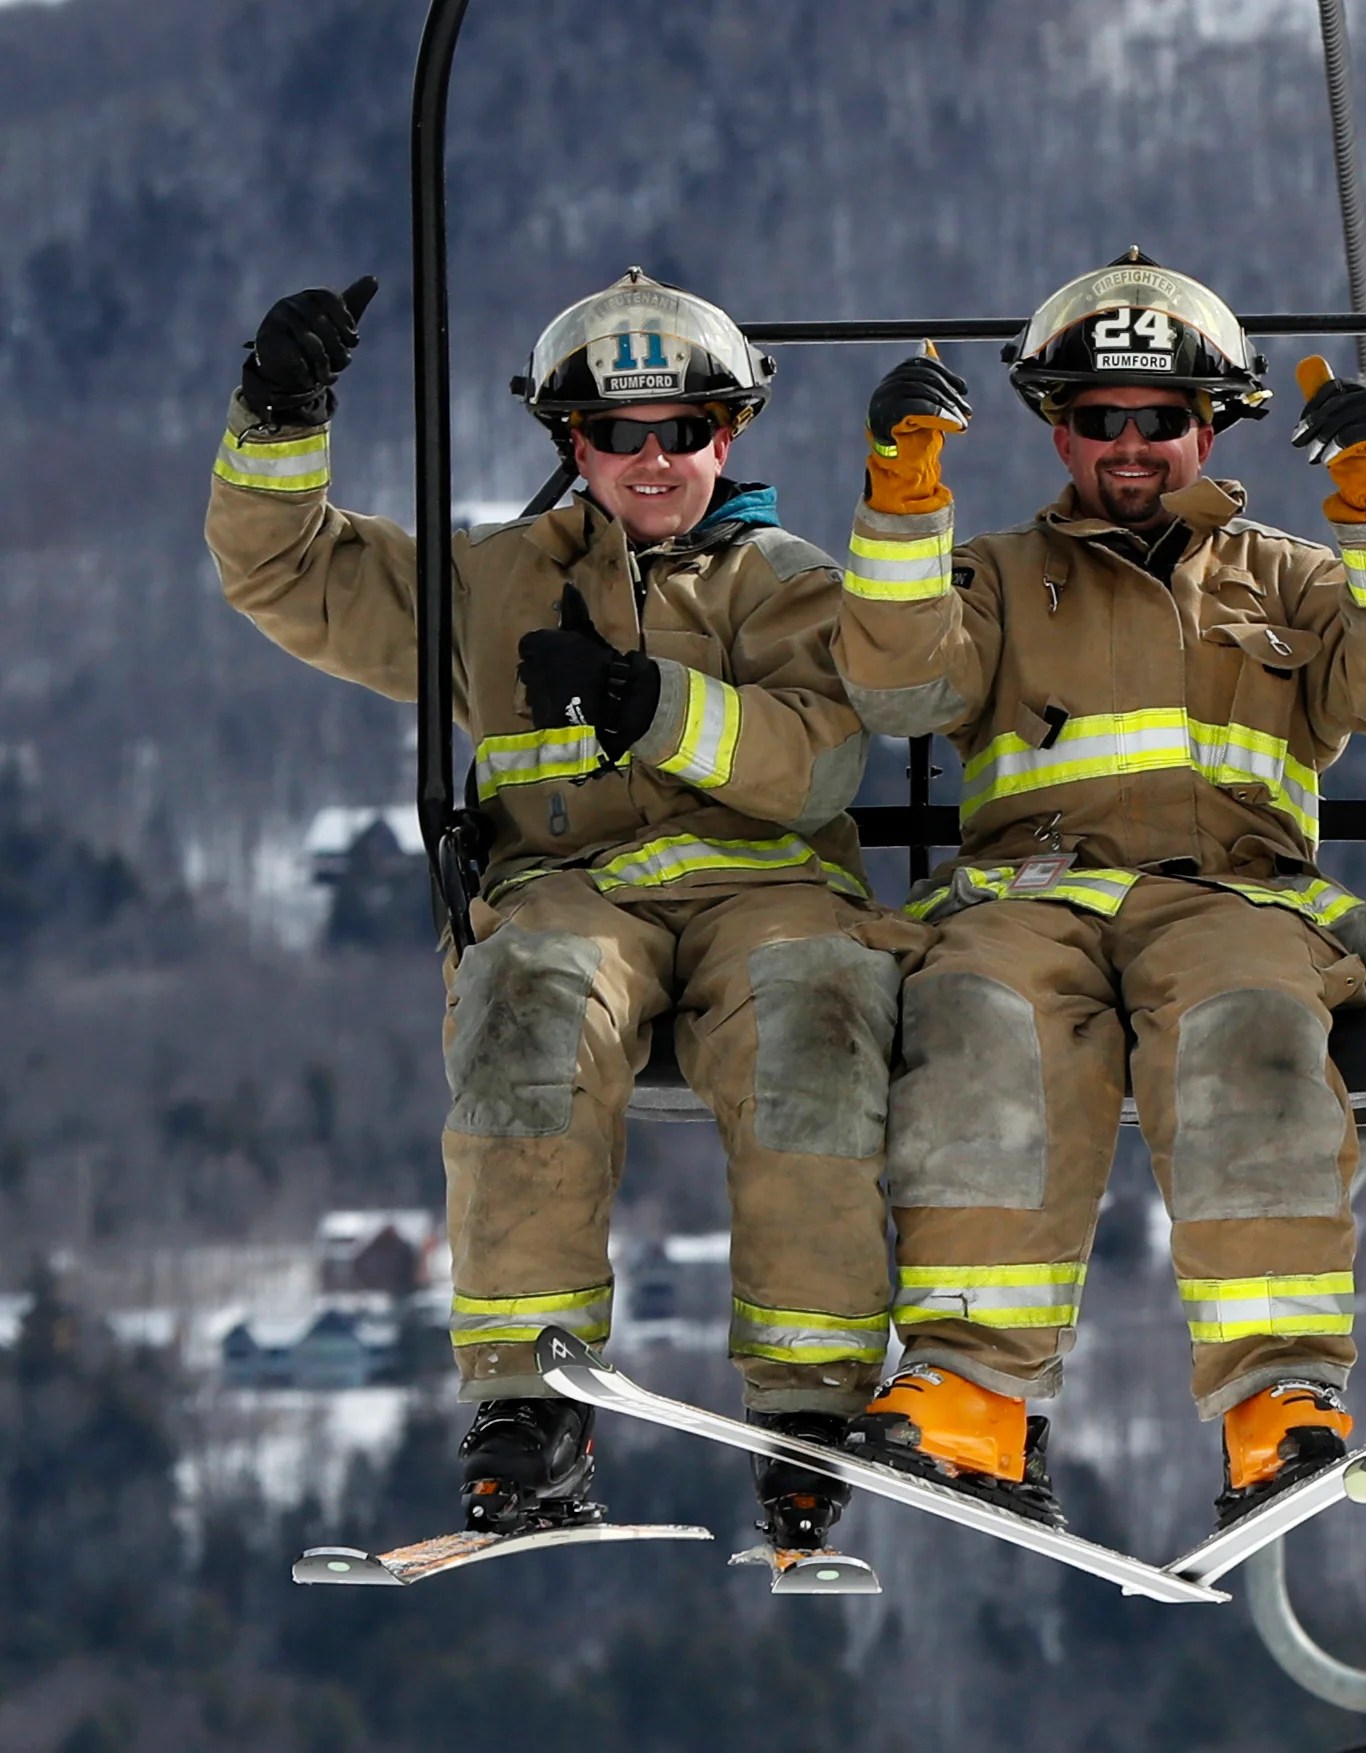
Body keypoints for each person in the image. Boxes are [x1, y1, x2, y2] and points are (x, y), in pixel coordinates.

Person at [207, 269, 920, 1548]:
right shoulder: (495, 585)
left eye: (683, 433)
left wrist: (648, 704)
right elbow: (288, 574)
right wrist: (279, 419)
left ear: (730, 434)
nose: (652, 463)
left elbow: (819, 761)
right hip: (571, 891)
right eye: (617, 437)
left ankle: (808, 1407)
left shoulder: (787, 583)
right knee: (526, 1003)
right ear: (569, 442)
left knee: (813, 1014)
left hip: (766, 893)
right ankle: (525, 1401)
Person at [828, 251, 1366, 1528]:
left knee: (1250, 1027)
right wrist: (902, 508)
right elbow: (899, 689)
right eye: (1097, 420)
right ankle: (973, 1390)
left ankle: (1278, 1399)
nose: (1129, 446)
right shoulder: (1000, 575)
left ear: (1212, 423)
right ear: (1056, 428)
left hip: (1233, 900)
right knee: (976, 1020)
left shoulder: (1290, 576)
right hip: (1032, 895)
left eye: (1162, 419)